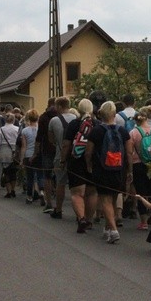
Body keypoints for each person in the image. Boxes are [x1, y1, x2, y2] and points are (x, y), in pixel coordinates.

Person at [85, 100, 133, 244]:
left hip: (102, 168)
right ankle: (107, 228)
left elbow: (88, 152)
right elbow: (129, 153)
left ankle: (113, 230)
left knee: (104, 199)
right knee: (113, 197)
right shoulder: (123, 131)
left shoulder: (96, 131)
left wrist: (89, 165)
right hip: (119, 169)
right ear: (114, 114)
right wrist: (130, 170)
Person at [62, 98, 98, 233]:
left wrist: (62, 160)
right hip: (93, 162)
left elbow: (66, 144)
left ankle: (81, 218)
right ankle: (89, 220)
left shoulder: (73, 124)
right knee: (91, 192)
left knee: (77, 193)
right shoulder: (97, 124)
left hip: (76, 161)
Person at [129, 105, 151, 230]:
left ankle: (144, 222)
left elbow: (129, 152)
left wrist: (129, 170)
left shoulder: (134, 132)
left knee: (140, 193)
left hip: (138, 164)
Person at [48, 96, 75, 218]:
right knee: (76, 186)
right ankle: (79, 212)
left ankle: (58, 209)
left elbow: (51, 139)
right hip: (75, 156)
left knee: (61, 183)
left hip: (60, 155)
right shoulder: (76, 118)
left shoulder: (54, 120)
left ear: (59, 107)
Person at [34, 98, 59, 211]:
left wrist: (36, 152)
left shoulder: (43, 117)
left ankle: (49, 202)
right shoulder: (61, 116)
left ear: (48, 105)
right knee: (60, 177)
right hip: (59, 149)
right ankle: (59, 203)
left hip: (47, 150)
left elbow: (39, 137)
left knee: (47, 176)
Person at [0, 112, 19, 198]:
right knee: (13, 171)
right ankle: (13, 189)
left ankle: (8, 191)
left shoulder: (1, 130)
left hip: (4, 151)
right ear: (13, 120)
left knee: (6, 172)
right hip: (14, 151)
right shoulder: (17, 129)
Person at [19, 109, 40, 202]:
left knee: (29, 176)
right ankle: (39, 191)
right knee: (39, 175)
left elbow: (24, 146)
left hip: (28, 155)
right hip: (38, 155)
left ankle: (29, 196)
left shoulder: (24, 131)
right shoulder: (40, 129)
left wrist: (21, 159)